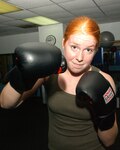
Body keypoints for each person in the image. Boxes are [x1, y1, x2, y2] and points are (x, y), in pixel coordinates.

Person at [0, 16, 118, 150]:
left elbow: (109, 141)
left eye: (88, 50)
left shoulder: (105, 80)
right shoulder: (50, 72)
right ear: (63, 43)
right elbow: (6, 103)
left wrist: (105, 113)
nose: (79, 58)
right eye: (74, 47)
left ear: (95, 50)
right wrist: (21, 73)